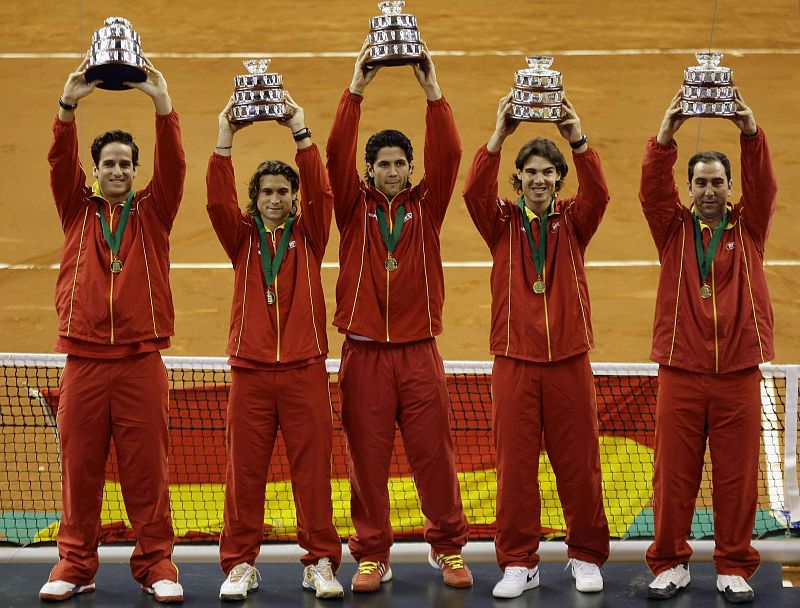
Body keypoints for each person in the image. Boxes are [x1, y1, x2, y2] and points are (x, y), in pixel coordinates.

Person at [325, 40, 471, 592]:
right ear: (369, 170)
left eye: (399, 164)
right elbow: (336, 151)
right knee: (367, 458)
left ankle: (448, 548)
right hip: (363, 352)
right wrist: (356, 85)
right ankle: (371, 554)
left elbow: (451, 153)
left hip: (418, 351)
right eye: (381, 164)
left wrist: (431, 88)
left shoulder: (426, 207)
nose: (391, 170)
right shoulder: (350, 205)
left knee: (434, 453)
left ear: (411, 169)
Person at [40, 56, 185, 603]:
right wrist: (67, 106)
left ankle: (157, 564)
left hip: (140, 363)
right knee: (80, 470)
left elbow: (174, 167)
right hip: (83, 362)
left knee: (147, 471)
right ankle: (75, 564)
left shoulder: (155, 211)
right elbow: (58, 163)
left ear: (135, 170)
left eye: (127, 164)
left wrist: (161, 101)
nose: (119, 171)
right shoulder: (76, 210)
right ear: (96, 170)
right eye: (109, 163)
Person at [463, 93, 611, 598]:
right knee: (515, 469)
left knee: (580, 465)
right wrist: (499, 135)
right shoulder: (499, 222)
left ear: (558, 180)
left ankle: (586, 555)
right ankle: (518, 563)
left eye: (550, 172)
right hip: (514, 362)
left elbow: (601, 194)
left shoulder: (576, 221)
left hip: (569, 359)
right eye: (531, 172)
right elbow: (472, 193)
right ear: (518, 178)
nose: (541, 179)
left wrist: (577, 138)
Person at [640, 88, 777, 604]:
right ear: (689, 187)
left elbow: (764, 184)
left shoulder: (750, 227)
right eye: (700, 182)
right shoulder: (672, 229)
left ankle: (733, 565)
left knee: (737, 477)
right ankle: (670, 562)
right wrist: (666, 133)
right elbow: (651, 191)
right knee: (672, 476)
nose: (709, 190)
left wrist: (749, 129)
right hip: (680, 370)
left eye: (718, 182)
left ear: (730, 186)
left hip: (738, 372)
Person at [206, 94, 343, 600]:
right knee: (245, 474)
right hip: (251, 372)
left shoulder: (310, 234)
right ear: (254, 196)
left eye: (283, 191)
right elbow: (217, 200)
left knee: (313, 474)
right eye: (266, 192)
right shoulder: (239, 236)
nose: (274, 199)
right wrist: (225, 136)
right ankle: (240, 564)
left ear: (294, 196)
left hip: (305, 369)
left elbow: (326, 194)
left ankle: (322, 562)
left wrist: (301, 131)